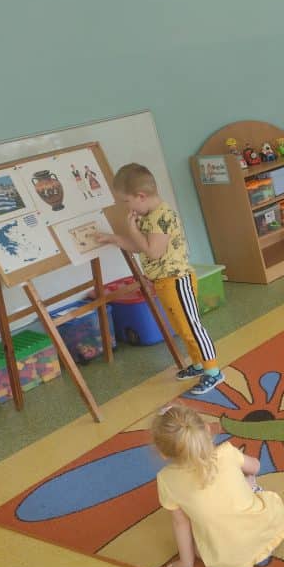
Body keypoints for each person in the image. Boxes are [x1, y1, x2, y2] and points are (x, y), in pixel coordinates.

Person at [96, 163, 222, 395]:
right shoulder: (148, 217)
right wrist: (114, 238)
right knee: (180, 327)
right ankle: (197, 364)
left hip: (177, 281)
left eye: (126, 201)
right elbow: (139, 246)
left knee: (192, 327)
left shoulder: (162, 216)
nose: (125, 206)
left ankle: (213, 371)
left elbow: (153, 251)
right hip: (163, 283)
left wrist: (132, 230)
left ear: (141, 196)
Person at [151, 404, 284, 567]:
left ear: (162, 453)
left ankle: (244, 553)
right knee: (248, 479)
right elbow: (255, 467)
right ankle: (260, 548)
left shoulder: (166, 480)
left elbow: (180, 523)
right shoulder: (227, 452)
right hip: (266, 529)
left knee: (198, 543)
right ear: (207, 429)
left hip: (228, 558)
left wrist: (186, 563)